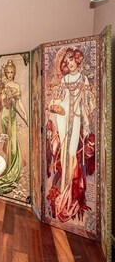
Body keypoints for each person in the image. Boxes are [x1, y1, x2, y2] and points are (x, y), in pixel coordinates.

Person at [46, 47, 96, 222]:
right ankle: (64, 190)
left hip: (75, 120)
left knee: (71, 152)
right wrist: (54, 107)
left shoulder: (83, 79)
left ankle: (70, 191)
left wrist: (87, 124)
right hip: (63, 117)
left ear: (77, 60)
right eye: (67, 62)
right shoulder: (65, 79)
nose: (70, 63)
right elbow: (58, 100)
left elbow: (85, 104)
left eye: (72, 60)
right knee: (64, 151)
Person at [0, 59, 28, 195]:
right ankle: (5, 170)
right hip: (5, 117)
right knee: (6, 143)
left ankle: (12, 172)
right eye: (7, 72)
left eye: (11, 72)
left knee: (13, 145)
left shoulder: (17, 86)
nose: (9, 74)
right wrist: (6, 97)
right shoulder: (4, 86)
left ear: (14, 73)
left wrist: (25, 114)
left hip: (13, 117)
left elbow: (19, 103)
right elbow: (5, 105)